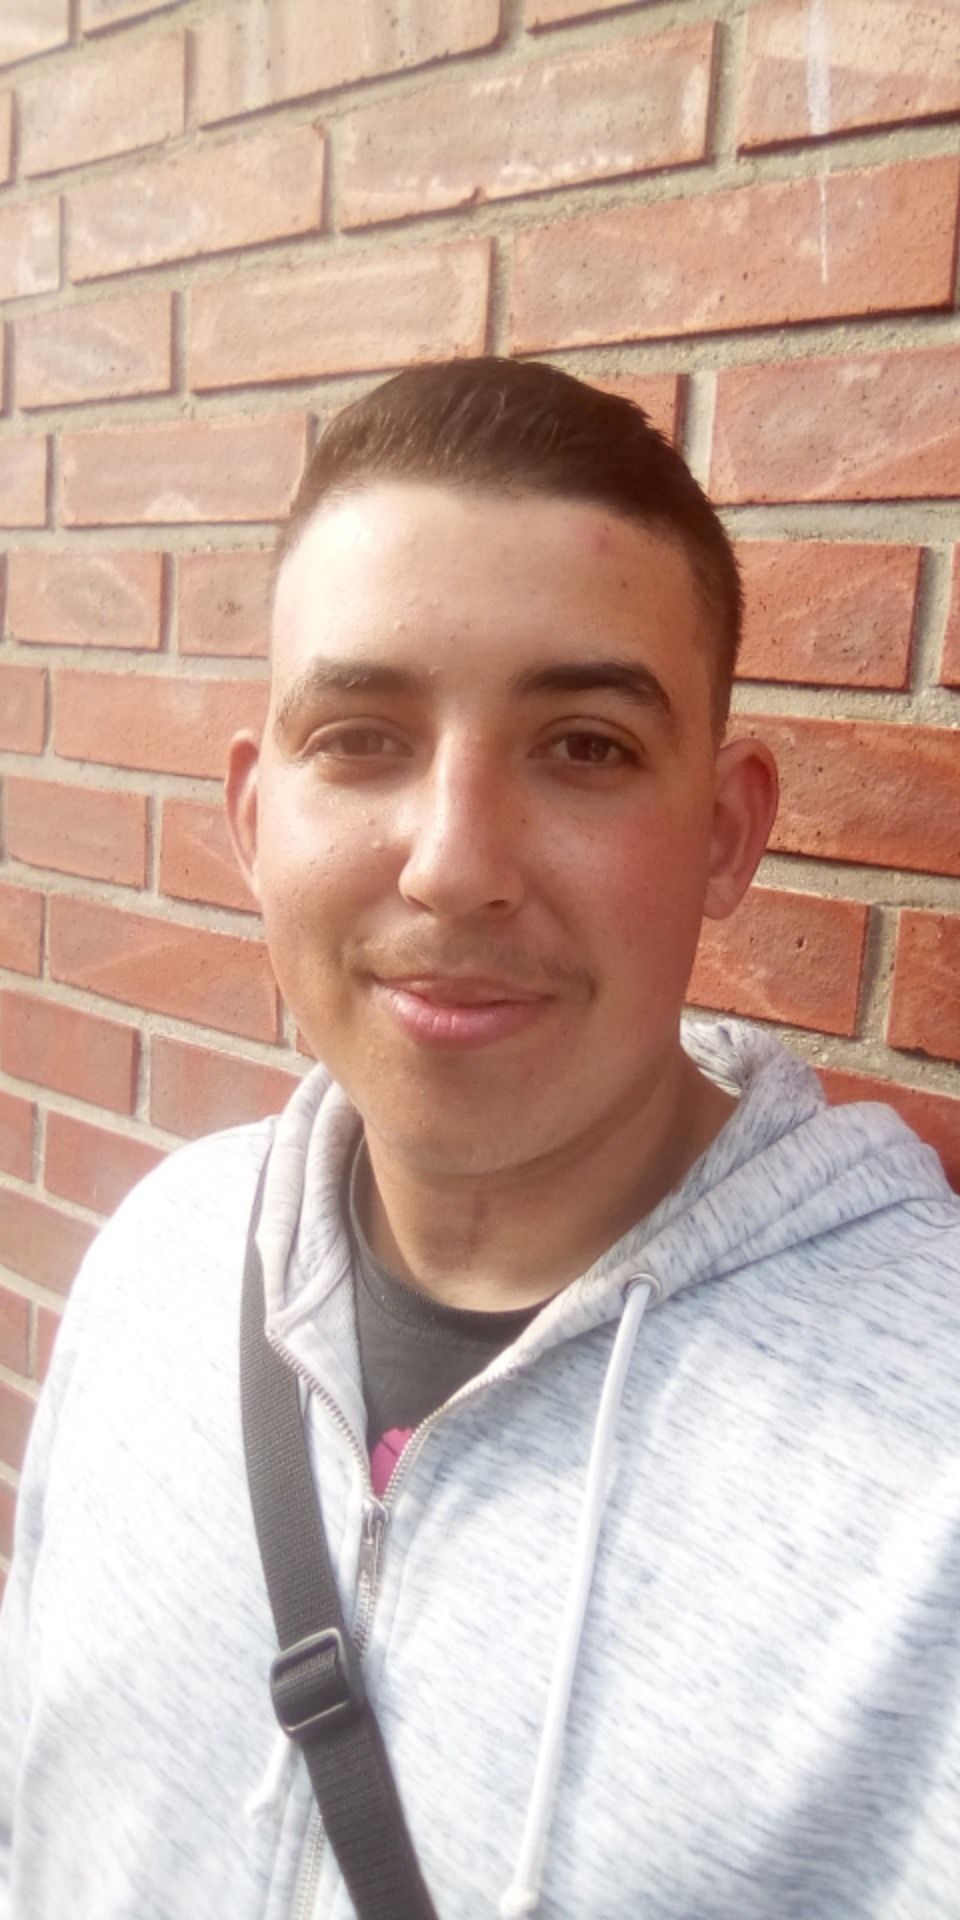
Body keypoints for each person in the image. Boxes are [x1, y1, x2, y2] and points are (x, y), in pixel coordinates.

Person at [1, 358, 958, 1920]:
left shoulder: (932, 1490)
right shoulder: (155, 1270)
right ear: (254, 819)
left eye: (583, 745)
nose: (455, 865)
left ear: (725, 834)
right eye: (361, 736)